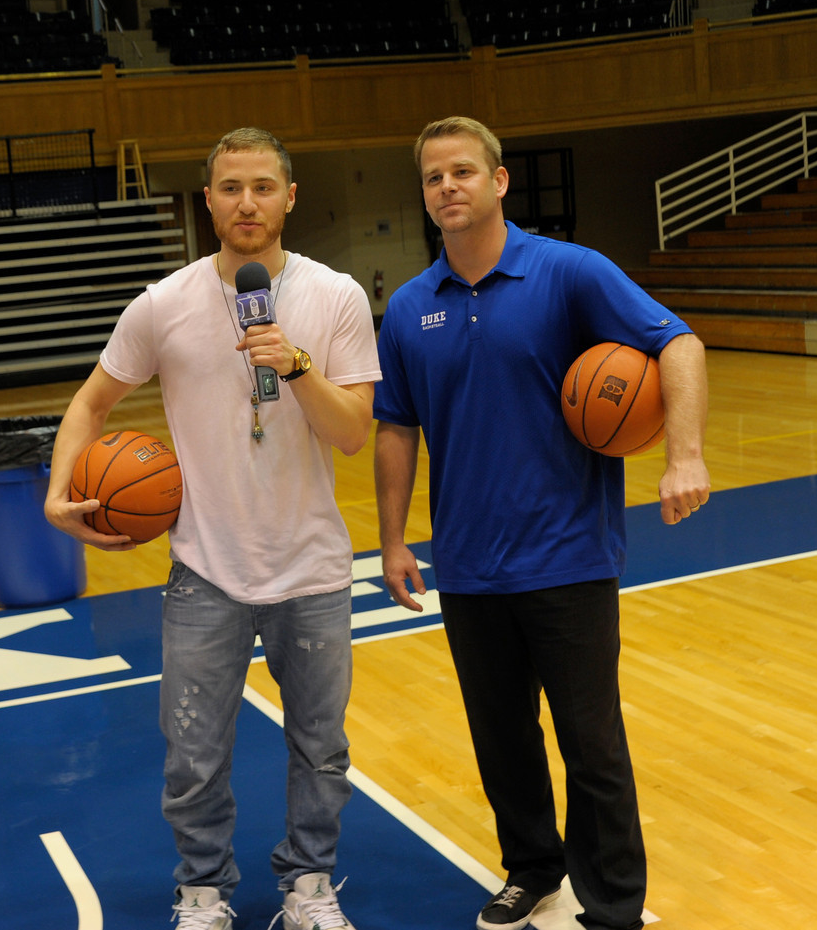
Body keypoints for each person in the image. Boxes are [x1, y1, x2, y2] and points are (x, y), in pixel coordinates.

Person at [373, 116, 710, 930]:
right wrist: (390, 539)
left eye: (462, 171)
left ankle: (614, 904)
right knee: (503, 739)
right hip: (469, 563)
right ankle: (531, 868)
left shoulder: (570, 273)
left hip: (569, 555)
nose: (446, 187)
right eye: (431, 177)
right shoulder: (411, 305)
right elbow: (394, 425)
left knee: (591, 743)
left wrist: (684, 452)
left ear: (498, 181)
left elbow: (680, 345)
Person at [44, 128, 381, 930]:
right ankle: (203, 890)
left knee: (322, 752)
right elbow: (90, 402)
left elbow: (353, 431)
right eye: (231, 187)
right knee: (193, 758)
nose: (247, 203)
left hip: (313, 567)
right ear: (208, 199)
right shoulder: (164, 303)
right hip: (205, 569)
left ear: (290, 196)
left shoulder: (334, 296)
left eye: (264, 186)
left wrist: (296, 364)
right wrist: (59, 490)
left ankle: (308, 886)